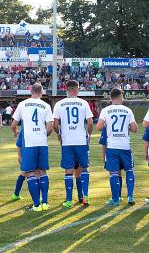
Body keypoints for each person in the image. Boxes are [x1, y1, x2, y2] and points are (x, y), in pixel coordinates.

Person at [11, 83, 53, 212]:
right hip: (42, 142)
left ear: (31, 91)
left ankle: (36, 205)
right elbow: (50, 127)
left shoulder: (23, 104)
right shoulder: (46, 105)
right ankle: (44, 203)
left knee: (30, 173)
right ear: (42, 92)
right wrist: (43, 135)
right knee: (42, 172)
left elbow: (13, 124)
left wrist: (15, 133)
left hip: (29, 142)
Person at [53, 80, 93, 208]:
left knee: (69, 170)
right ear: (76, 89)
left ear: (67, 89)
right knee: (83, 169)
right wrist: (89, 134)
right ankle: (84, 197)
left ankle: (69, 200)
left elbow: (54, 124)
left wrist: (59, 133)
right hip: (81, 140)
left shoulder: (59, 104)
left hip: (67, 141)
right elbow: (90, 122)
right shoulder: (84, 103)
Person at [96, 89, 137, 206]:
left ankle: (115, 199)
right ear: (121, 97)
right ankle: (130, 196)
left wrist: (107, 124)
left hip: (112, 146)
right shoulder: (128, 110)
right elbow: (134, 129)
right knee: (129, 170)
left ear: (111, 98)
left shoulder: (106, 110)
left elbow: (99, 127)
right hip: (125, 145)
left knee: (114, 172)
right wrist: (125, 127)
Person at [11, 129, 25, 201]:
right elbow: (18, 144)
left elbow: (18, 144)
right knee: (35, 174)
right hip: (27, 153)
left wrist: (19, 156)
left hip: (25, 153)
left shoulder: (23, 128)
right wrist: (19, 156)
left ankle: (16, 194)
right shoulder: (24, 129)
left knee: (24, 173)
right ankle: (39, 199)